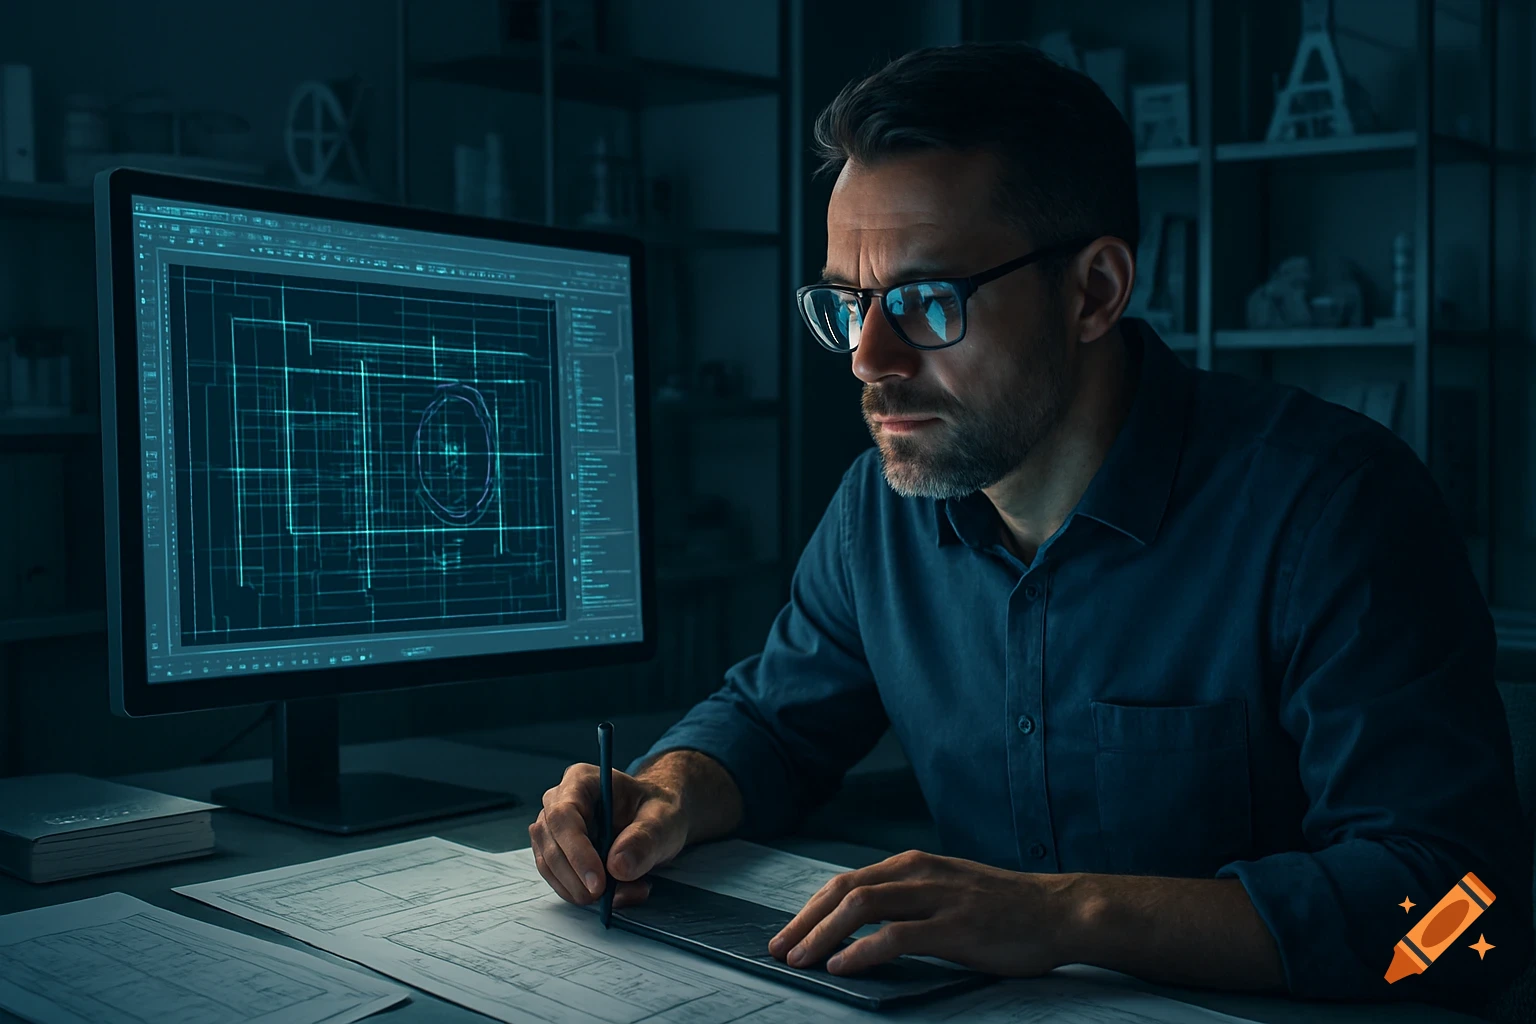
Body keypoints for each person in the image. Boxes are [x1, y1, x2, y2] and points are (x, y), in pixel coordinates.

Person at [529, 41, 1532, 1008]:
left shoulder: (1333, 509)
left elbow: (1464, 914)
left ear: (1094, 290)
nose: (867, 357)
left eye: (925, 301)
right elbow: (769, 726)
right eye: (847, 302)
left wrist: (1075, 915)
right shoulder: (878, 512)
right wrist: (666, 789)